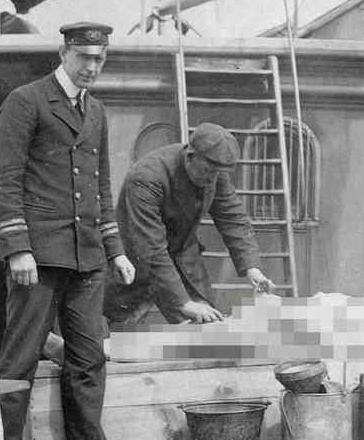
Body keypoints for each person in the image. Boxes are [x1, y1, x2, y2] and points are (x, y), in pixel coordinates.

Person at [0, 22, 142, 440]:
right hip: (38, 255)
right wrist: (18, 248)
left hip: (87, 258)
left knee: (89, 359)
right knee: (20, 359)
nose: (92, 67)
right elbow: (2, 181)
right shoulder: (26, 101)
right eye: (84, 59)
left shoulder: (96, 111)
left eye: (100, 59)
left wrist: (115, 250)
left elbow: (99, 187)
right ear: (63, 52)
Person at [104, 123, 275, 325]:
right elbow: (150, 246)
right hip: (138, 263)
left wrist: (251, 268)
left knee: (207, 327)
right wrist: (183, 303)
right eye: (207, 172)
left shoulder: (214, 173)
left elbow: (233, 219)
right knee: (116, 341)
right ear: (190, 156)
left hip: (183, 259)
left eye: (216, 174)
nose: (211, 179)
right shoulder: (147, 176)